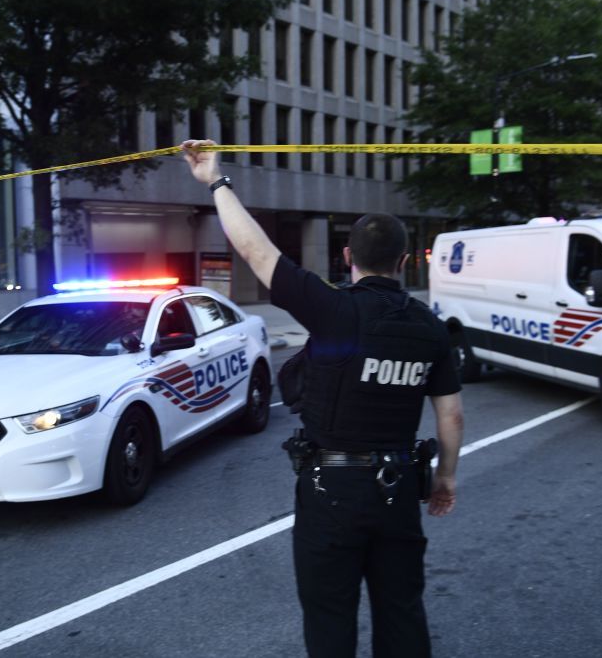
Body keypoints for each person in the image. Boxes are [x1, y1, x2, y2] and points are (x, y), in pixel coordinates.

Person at [181, 139, 464, 658]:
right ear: (404, 261)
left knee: (330, 618)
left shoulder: (333, 310)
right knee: (401, 612)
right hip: (399, 490)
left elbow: (256, 252)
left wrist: (217, 181)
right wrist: (444, 477)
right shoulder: (430, 329)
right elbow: (451, 414)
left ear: (348, 256)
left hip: (330, 491)